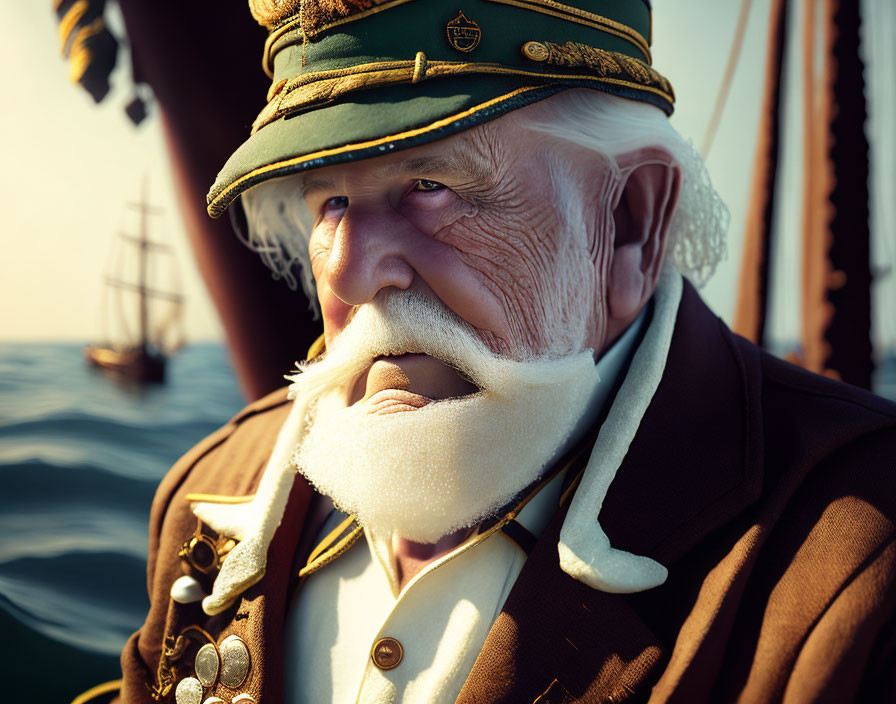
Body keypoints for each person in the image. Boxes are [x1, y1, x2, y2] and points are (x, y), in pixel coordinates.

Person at [87, 2, 896, 702]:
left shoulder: (859, 565)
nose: (347, 270)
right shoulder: (209, 497)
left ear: (629, 224)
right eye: (330, 198)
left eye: (429, 185)